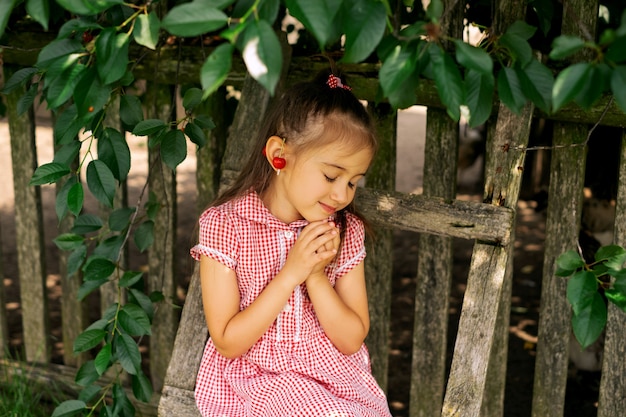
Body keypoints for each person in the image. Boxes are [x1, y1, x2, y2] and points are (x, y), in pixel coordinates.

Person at [190, 69, 392, 417]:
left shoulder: (344, 231)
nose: (341, 194)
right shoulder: (226, 225)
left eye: (354, 182)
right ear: (279, 155)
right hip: (259, 383)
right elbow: (227, 341)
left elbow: (351, 339)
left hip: (336, 382)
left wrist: (315, 276)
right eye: (331, 175)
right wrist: (291, 274)